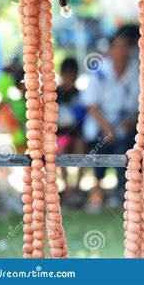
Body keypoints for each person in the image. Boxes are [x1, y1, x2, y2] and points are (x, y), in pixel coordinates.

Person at [81, 24, 140, 210]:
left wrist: (130, 123)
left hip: (128, 122)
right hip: (103, 122)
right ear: (111, 50)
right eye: (118, 47)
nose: (122, 52)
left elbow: (143, 104)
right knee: (103, 143)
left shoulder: (138, 71)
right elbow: (91, 104)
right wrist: (107, 128)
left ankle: (123, 190)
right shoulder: (99, 72)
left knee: (129, 146)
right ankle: (97, 191)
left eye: (125, 48)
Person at [56, 57, 86, 206]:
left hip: (76, 133)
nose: (70, 79)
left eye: (73, 76)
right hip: (59, 133)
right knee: (61, 148)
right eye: (68, 76)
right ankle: (67, 190)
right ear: (62, 74)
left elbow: (82, 119)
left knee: (81, 146)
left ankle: (78, 188)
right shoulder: (54, 94)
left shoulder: (79, 94)